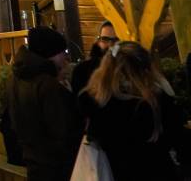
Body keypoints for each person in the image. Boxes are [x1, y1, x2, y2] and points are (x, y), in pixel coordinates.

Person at [80, 40, 189, 180]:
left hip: (114, 173)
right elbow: (177, 137)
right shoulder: (154, 102)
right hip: (157, 172)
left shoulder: (92, 103)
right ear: (145, 70)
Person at [2, 26, 81, 181]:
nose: (66, 57)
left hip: (32, 161)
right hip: (55, 166)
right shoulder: (47, 84)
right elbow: (62, 129)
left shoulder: (15, 78)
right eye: (62, 52)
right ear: (49, 54)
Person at [71, 20, 117, 95]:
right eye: (105, 39)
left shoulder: (127, 69)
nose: (110, 45)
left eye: (115, 40)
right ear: (98, 41)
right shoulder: (82, 71)